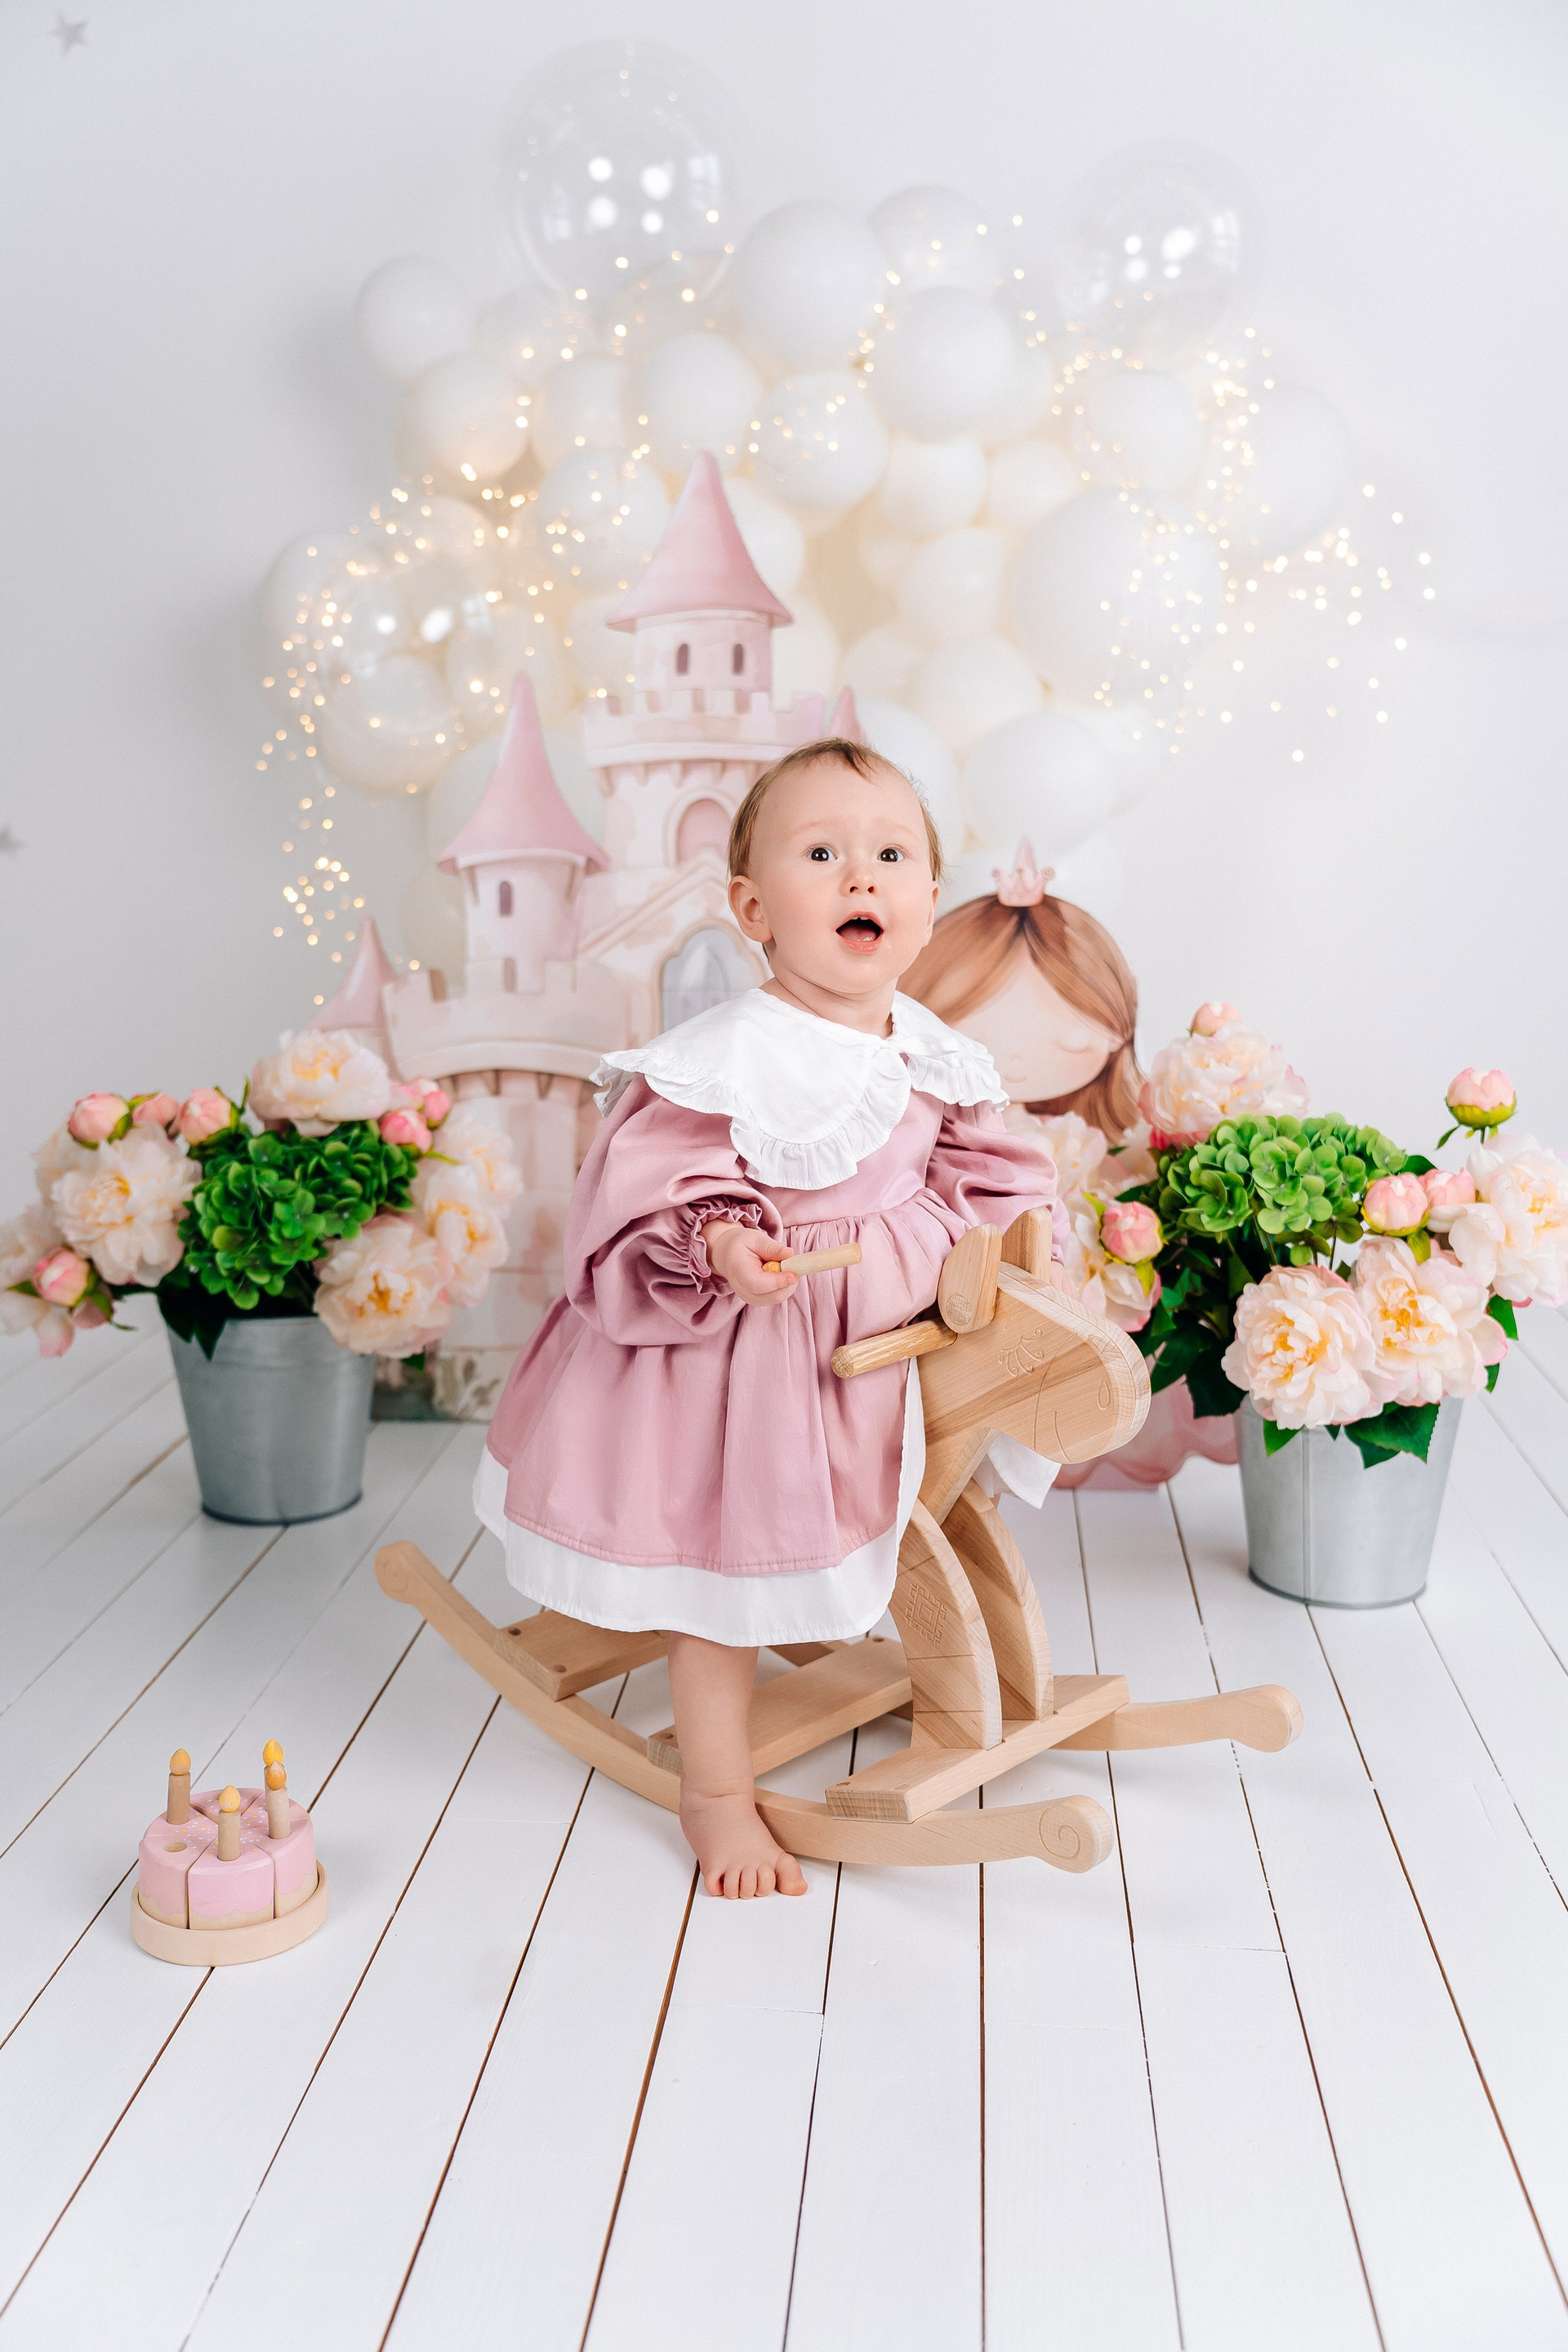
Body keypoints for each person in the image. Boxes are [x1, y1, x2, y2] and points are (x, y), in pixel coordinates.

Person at [476, 740, 1067, 1900]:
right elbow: (654, 1185)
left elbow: (994, 1177)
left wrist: (1020, 1253)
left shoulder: (934, 1052)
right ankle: (714, 1793)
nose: (862, 877)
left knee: (920, 1495)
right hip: (749, 1363)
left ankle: (892, 1631)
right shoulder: (724, 1058)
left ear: (927, 900)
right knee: (725, 1570)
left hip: (884, 1349)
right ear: (753, 909)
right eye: (822, 855)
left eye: (890, 856)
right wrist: (723, 1243)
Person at [900, 839, 1143, 1140]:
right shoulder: (922, 1134)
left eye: (1071, 1041)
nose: (1015, 1061)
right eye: (976, 1041)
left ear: (1117, 1033)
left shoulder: (1082, 1142)